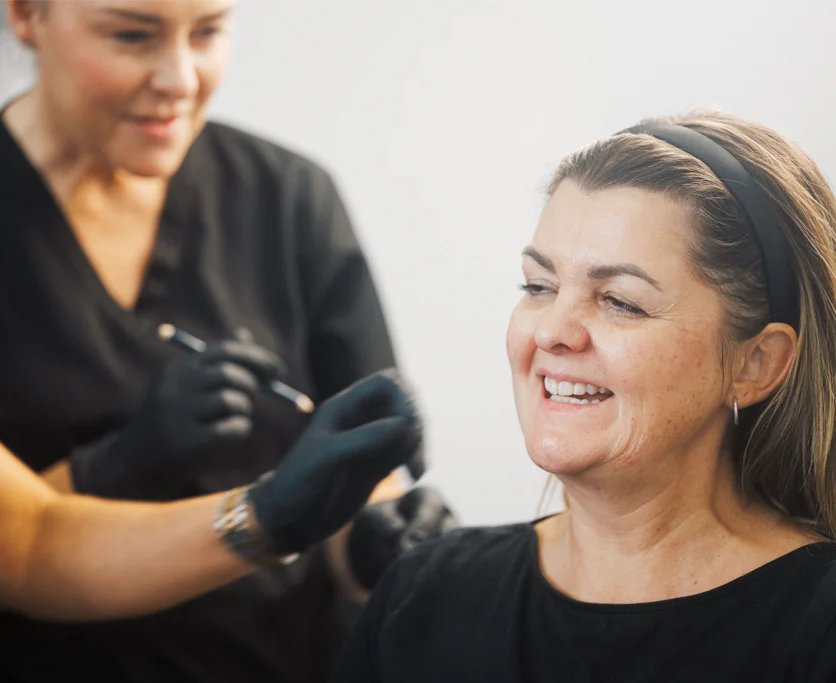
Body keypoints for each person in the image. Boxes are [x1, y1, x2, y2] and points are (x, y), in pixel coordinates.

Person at [0, 1, 456, 680]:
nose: (181, 79)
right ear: (23, 14)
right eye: (132, 35)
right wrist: (120, 464)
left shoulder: (289, 197)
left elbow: (358, 472)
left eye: (209, 31)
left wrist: (375, 541)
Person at [330, 111, 836, 682]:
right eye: (538, 286)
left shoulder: (817, 630)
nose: (551, 332)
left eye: (620, 301)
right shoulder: (422, 598)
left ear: (755, 363)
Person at [0, 232, 422, 682]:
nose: (177, 80)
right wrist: (123, 462)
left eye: (527, 286)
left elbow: (25, 537)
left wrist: (269, 514)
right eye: (130, 45)